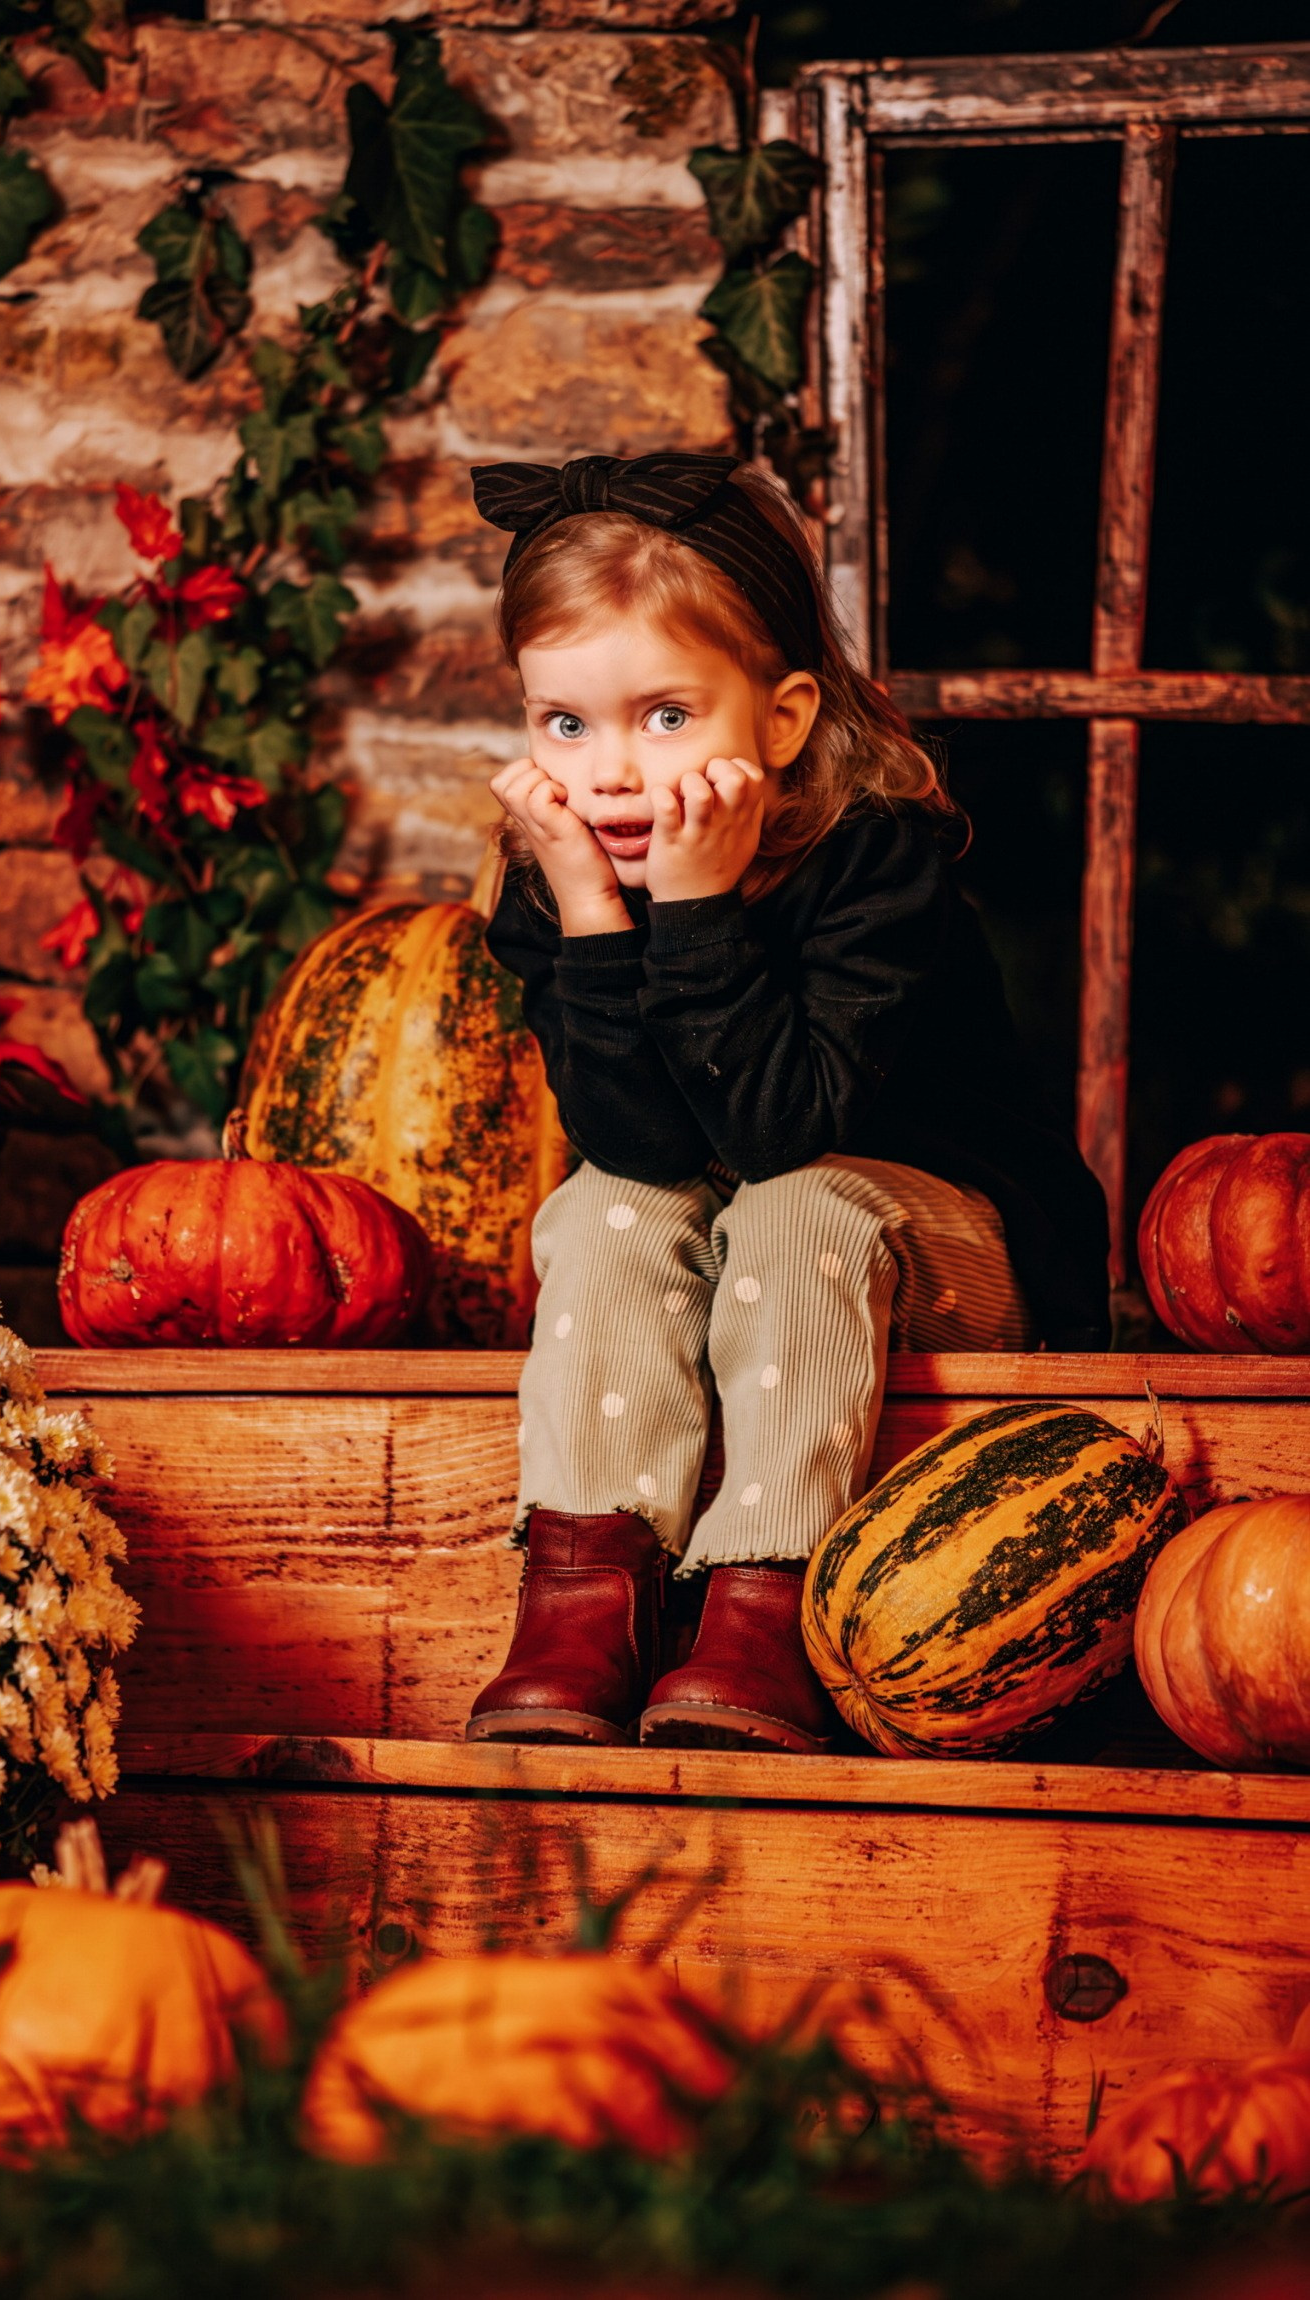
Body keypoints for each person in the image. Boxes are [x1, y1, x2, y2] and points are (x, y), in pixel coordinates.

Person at [464, 451, 1110, 1756]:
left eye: (663, 717)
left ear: (781, 717)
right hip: (741, 1228)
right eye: (563, 724)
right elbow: (636, 1148)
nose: (609, 774)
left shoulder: (876, 865)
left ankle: (763, 1600)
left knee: (794, 1208)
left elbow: (778, 1133)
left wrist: (695, 909)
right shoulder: (559, 879)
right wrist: (593, 917)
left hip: (941, 1240)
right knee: (601, 1215)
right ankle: (583, 1602)